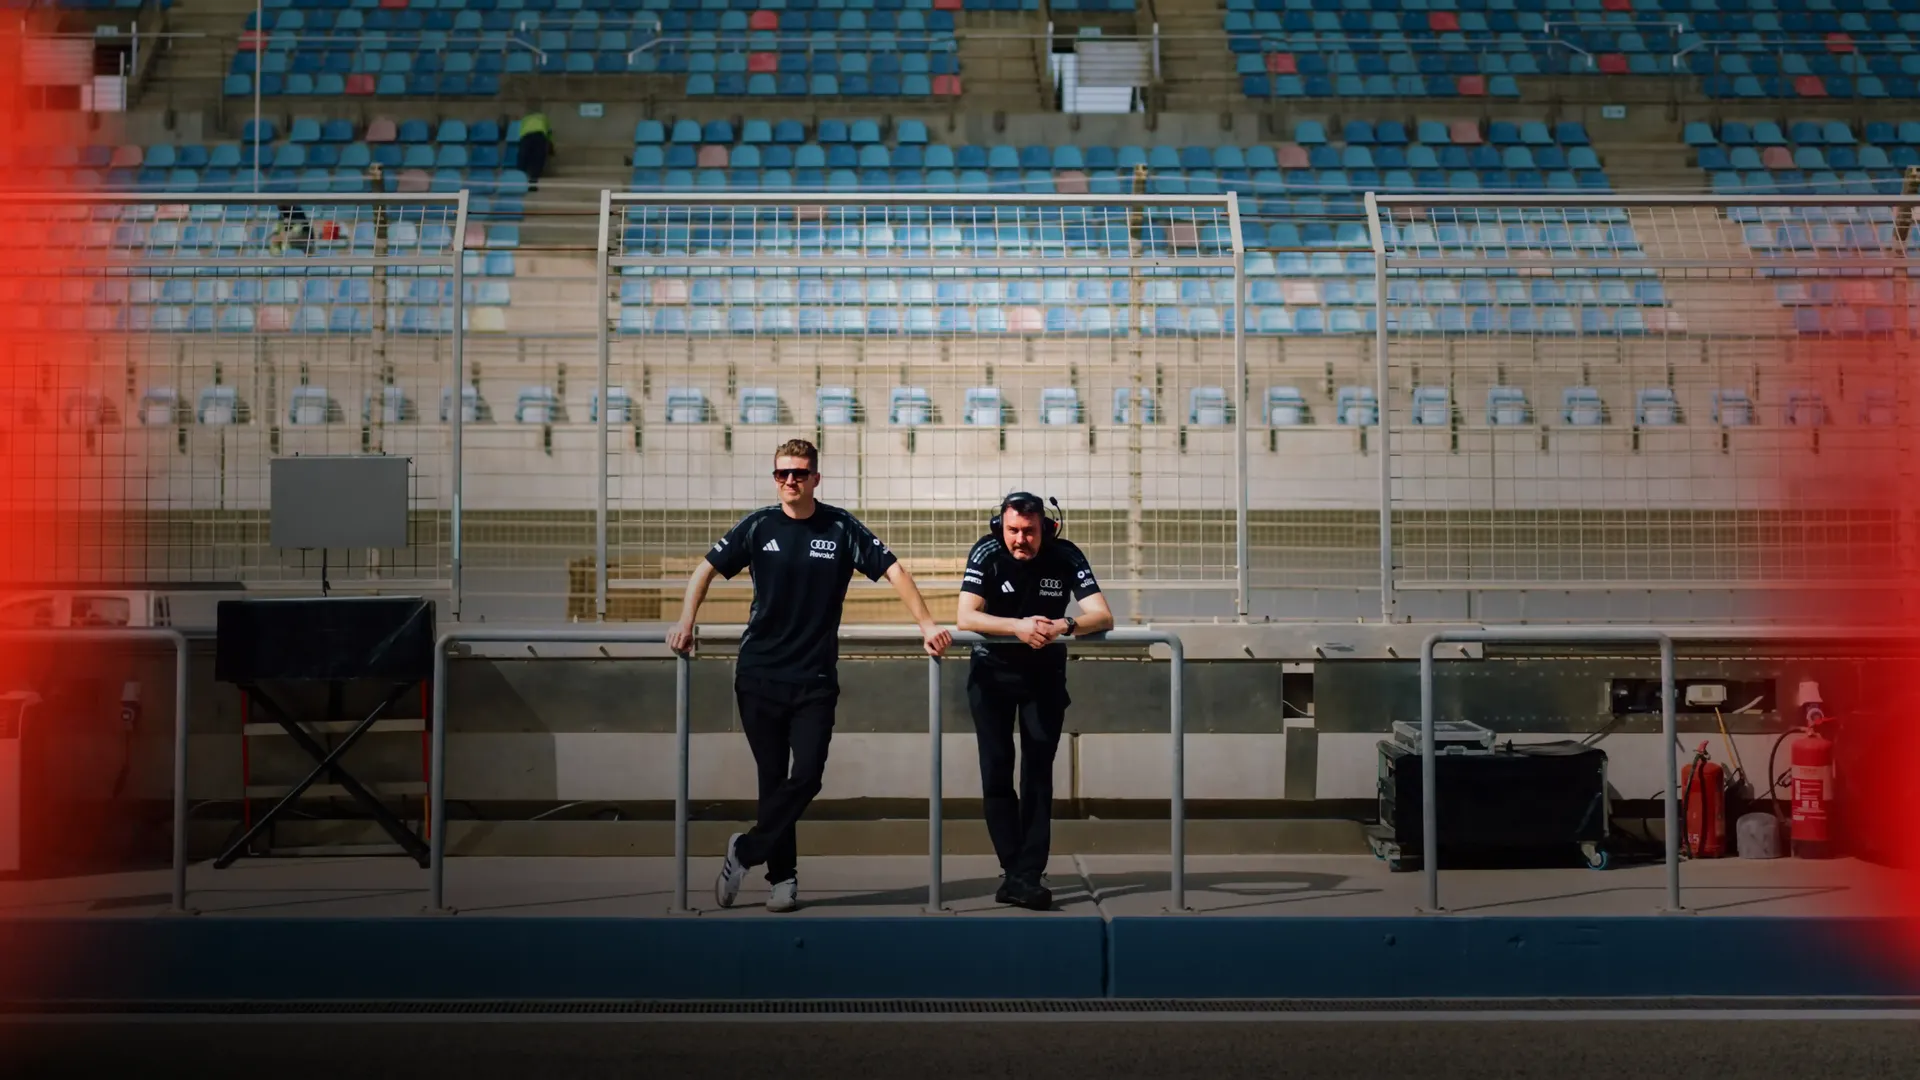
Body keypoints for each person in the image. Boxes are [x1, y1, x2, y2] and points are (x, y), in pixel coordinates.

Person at [668, 438, 952, 913]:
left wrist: (926, 625)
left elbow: (894, 570)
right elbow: (704, 570)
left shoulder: (839, 527)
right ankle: (784, 880)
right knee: (773, 780)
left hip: (815, 678)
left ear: (816, 478)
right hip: (759, 673)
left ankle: (744, 851)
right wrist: (685, 621)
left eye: (799, 473)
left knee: (809, 776)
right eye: (782, 473)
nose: (790, 481)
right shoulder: (759, 526)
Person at [956, 492, 1112, 911]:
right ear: (1000, 527)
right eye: (1012, 530)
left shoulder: (1065, 554)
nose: (1020, 539)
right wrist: (1017, 628)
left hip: (1044, 677)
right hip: (991, 676)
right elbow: (966, 616)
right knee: (996, 772)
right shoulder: (986, 551)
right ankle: (1015, 873)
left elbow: (1102, 615)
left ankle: (1028, 873)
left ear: (1047, 528)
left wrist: (1065, 624)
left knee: (1038, 775)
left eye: (1029, 531)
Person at [515, 107, 554, 190]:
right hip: (539, 136)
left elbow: (520, 132)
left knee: (523, 160)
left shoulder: (525, 118)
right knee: (537, 160)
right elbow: (549, 132)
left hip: (526, 137)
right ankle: (533, 183)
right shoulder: (543, 117)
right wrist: (551, 144)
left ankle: (519, 182)